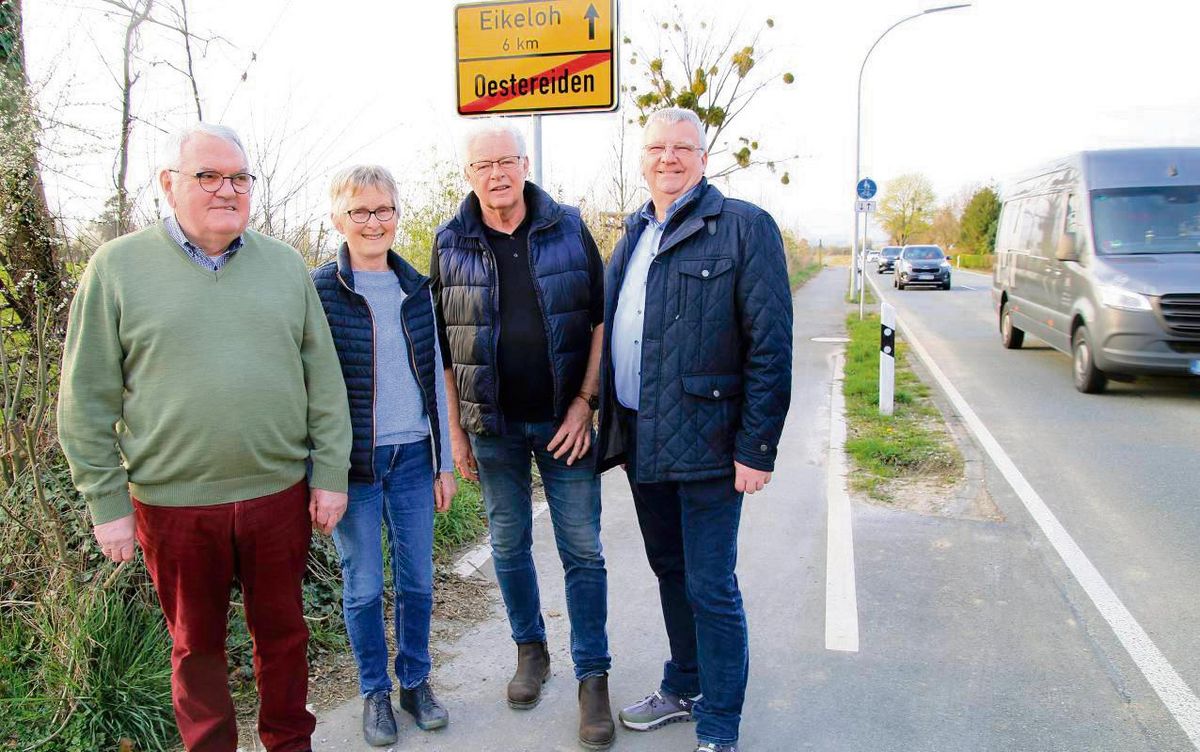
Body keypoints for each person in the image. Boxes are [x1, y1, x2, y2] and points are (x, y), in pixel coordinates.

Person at [57, 123, 352, 752]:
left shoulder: (284, 266)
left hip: (278, 494)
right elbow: (84, 401)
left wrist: (329, 474)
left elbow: (323, 380)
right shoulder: (117, 268)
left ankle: (288, 744)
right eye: (208, 176)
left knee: (285, 637)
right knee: (196, 650)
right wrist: (106, 506)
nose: (228, 190)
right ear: (169, 184)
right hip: (173, 504)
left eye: (239, 177)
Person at [594, 107, 794, 752]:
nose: (668, 159)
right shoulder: (634, 234)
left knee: (711, 586)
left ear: (704, 158)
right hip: (645, 441)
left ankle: (720, 726)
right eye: (657, 149)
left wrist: (756, 446)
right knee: (670, 571)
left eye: (683, 148)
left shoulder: (743, 228)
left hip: (710, 445)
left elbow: (770, 346)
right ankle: (684, 684)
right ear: (642, 158)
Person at [430, 120, 614, 749]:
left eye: (508, 160)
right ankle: (530, 652)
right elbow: (445, 347)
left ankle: (594, 678)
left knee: (583, 550)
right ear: (468, 174)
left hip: (566, 424)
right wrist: (455, 431)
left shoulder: (567, 226)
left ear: (525, 162)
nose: (498, 173)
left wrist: (585, 404)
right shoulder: (450, 241)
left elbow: (598, 321)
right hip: (494, 429)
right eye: (485, 164)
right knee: (509, 545)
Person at [310, 165, 456, 747]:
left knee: (418, 579)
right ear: (338, 219)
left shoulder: (418, 288)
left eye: (384, 210)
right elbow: (307, 389)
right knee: (365, 583)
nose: (373, 222)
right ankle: (375, 692)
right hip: (354, 468)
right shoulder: (320, 291)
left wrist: (444, 460)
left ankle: (415, 682)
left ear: (398, 213)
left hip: (415, 459)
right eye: (360, 212)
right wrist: (319, 475)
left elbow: (439, 379)